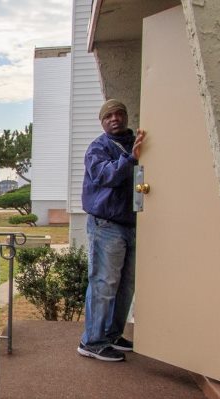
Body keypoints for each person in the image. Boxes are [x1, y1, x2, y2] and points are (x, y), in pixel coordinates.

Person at [78, 99, 146, 362]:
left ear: (126, 117)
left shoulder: (134, 144)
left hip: (131, 223)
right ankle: (92, 341)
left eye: (119, 114)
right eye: (109, 116)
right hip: (106, 225)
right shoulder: (99, 148)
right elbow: (105, 175)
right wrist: (131, 159)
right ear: (102, 122)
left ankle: (112, 335)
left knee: (125, 286)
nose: (115, 119)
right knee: (103, 284)